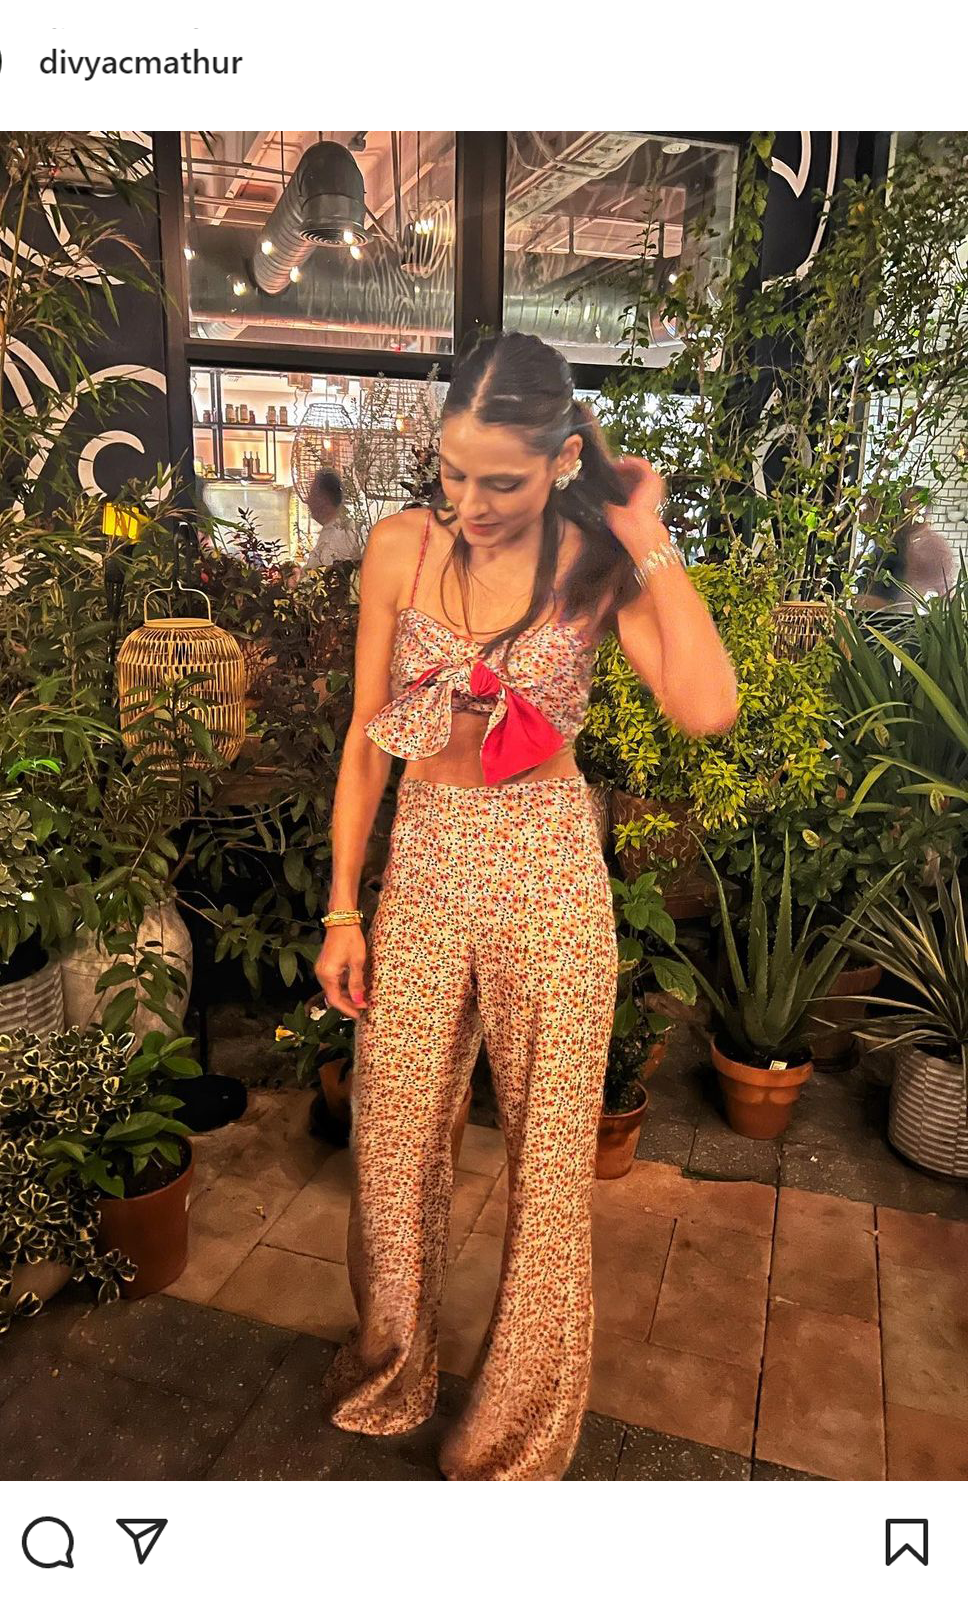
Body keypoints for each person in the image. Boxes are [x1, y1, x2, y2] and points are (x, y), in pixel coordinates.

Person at [315, 330, 738, 1481]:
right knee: (394, 1137)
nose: (471, 501)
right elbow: (365, 738)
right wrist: (342, 908)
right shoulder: (401, 550)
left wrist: (648, 535)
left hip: (548, 864)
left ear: (560, 458)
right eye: (454, 471)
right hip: (429, 856)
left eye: (499, 478)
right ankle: (392, 1368)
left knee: (549, 1164)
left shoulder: (598, 563)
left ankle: (513, 1431)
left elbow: (705, 703)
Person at [856, 486, 955, 615]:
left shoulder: (931, 546)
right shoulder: (892, 541)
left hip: (900, 623)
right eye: (902, 505)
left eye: (909, 507)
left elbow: (942, 592)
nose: (904, 512)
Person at [300, 469, 362, 569]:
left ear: (323, 499)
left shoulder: (340, 532)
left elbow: (329, 576)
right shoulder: (334, 527)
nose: (308, 501)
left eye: (312, 495)